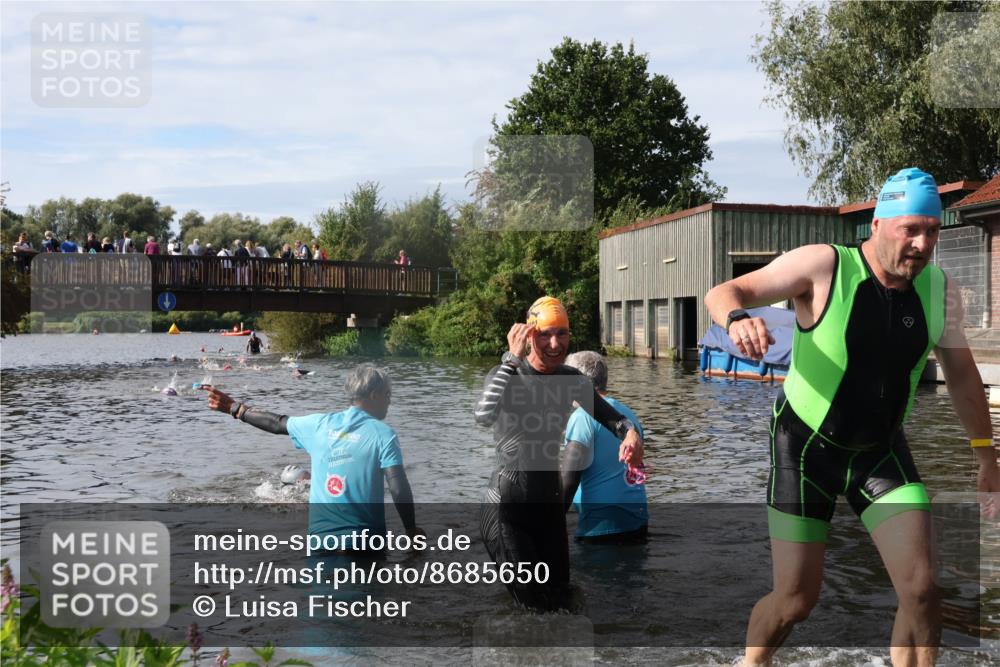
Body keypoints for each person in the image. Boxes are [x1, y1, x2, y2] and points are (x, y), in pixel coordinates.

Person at [703, 167, 999, 667]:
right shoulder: (824, 266)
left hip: (879, 451)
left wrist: (986, 456)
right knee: (796, 601)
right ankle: (752, 663)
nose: (923, 243)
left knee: (923, 591)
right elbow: (724, 292)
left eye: (932, 230)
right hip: (805, 449)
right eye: (912, 229)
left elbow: (965, 377)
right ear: (879, 224)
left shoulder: (938, 289)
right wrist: (737, 319)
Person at [474, 296, 644, 611]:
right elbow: (482, 416)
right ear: (528, 336)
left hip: (548, 511)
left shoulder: (572, 381)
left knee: (564, 603)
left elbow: (613, 420)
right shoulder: (508, 375)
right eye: (544, 334)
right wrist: (511, 359)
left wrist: (631, 434)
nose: (555, 343)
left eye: (562, 333)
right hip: (507, 512)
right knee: (532, 611)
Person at [202, 364, 422, 547]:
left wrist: (236, 409)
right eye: (388, 395)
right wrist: (411, 530)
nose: (390, 401)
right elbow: (397, 486)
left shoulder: (319, 425)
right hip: (365, 544)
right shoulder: (383, 434)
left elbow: (276, 423)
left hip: (320, 542)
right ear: (374, 395)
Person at [561, 351, 649, 543]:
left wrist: (546, 523)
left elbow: (569, 480)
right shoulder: (628, 417)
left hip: (600, 528)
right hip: (638, 523)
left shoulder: (582, 417)